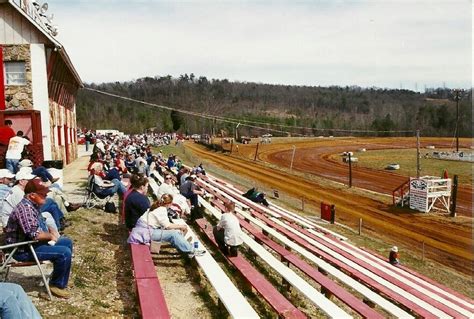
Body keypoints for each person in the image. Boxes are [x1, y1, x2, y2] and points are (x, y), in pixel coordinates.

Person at [4, 179, 73, 299]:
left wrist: (50, 231)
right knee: (64, 252)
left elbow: (39, 227)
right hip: (22, 250)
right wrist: (51, 235)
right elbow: (34, 234)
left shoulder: (33, 205)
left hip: (32, 244)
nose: (46, 196)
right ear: (32, 195)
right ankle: (55, 286)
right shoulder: (25, 209)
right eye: (43, 194)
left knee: (67, 242)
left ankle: (57, 278)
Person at [128, 194, 205, 258]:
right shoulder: (162, 209)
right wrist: (181, 226)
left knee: (174, 233)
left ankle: (184, 245)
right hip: (145, 233)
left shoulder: (156, 206)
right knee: (173, 234)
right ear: (169, 204)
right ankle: (191, 250)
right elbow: (168, 226)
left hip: (142, 230)